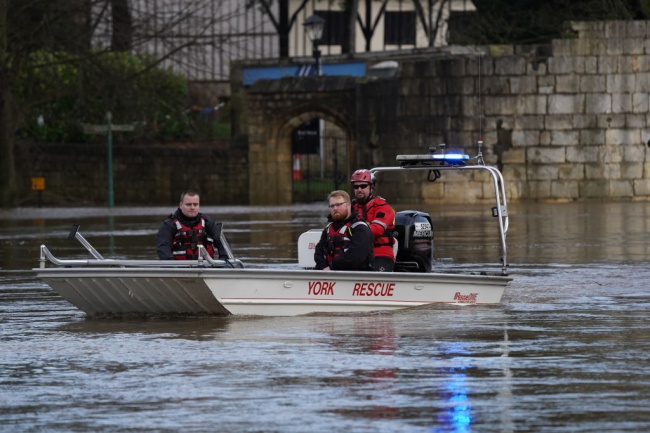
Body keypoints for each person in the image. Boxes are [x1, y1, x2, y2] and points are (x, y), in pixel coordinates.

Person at [156, 189, 229, 260]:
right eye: (188, 204)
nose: (192, 207)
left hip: (206, 267)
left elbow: (223, 242)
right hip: (179, 268)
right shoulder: (169, 225)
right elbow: (163, 247)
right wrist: (172, 265)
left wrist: (224, 259)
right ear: (181, 205)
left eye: (195, 204)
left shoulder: (208, 222)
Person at [314, 190, 374, 271]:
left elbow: (356, 256)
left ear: (348, 205)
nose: (335, 208)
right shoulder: (328, 229)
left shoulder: (361, 228)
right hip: (328, 272)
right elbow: (318, 252)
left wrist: (331, 267)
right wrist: (323, 267)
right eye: (332, 206)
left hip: (356, 275)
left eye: (338, 205)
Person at [350, 169, 396, 272]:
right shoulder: (351, 208)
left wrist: (351, 232)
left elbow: (376, 230)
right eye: (356, 187)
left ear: (372, 187)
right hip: (356, 253)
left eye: (363, 186)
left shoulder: (383, 207)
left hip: (380, 254)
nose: (359, 189)